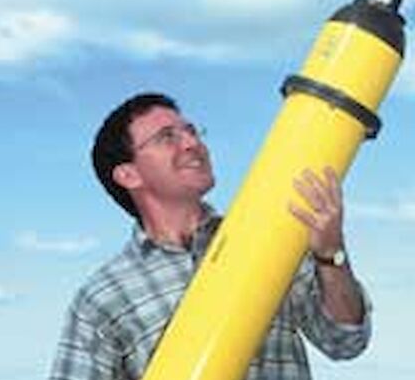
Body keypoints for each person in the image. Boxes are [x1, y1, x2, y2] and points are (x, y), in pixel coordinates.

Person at [48, 92, 371, 380]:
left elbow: (344, 342)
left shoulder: (266, 237)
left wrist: (330, 254)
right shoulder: (102, 297)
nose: (192, 143)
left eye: (191, 131)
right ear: (128, 174)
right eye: (166, 137)